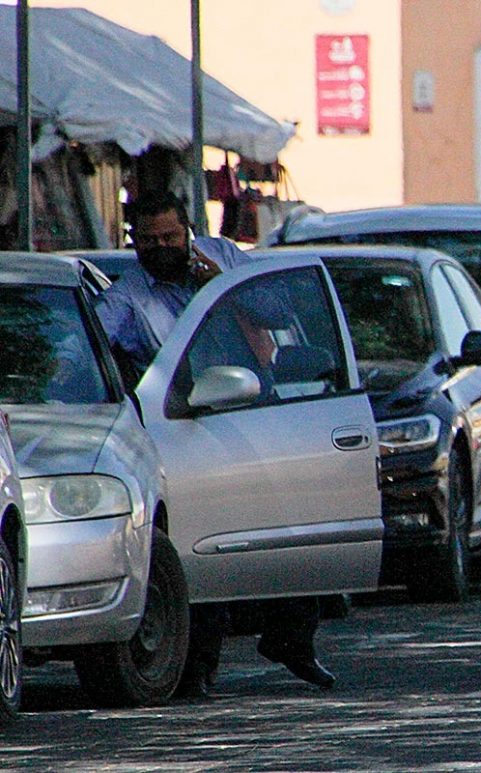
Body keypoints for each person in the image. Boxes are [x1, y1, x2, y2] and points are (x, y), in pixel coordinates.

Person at [95, 190, 336, 698]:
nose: (162, 248)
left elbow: (278, 312)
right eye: (150, 240)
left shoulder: (223, 254)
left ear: (189, 230)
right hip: (191, 423)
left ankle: (292, 639)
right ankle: (199, 666)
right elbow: (97, 336)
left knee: (286, 525)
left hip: (256, 412)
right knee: (206, 543)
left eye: (171, 237)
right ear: (134, 241)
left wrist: (222, 285)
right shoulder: (130, 295)